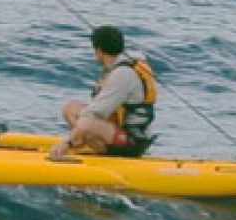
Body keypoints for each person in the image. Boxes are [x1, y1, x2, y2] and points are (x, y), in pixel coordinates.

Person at [48, 25, 157, 159]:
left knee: (87, 122)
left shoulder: (123, 74)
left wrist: (67, 143)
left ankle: (72, 145)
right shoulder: (119, 66)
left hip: (132, 141)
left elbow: (95, 113)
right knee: (70, 108)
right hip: (117, 131)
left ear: (99, 51)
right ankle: (84, 143)